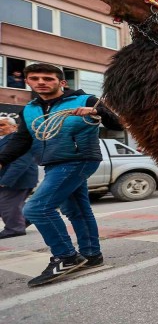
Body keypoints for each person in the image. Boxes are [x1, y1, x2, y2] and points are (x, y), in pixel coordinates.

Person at [0, 63, 123, 287]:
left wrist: (97, 112)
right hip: (51, 164)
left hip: (79, 160)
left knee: (36, 208)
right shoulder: (29, 109)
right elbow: (22, 140)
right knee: (76, 210)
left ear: (61, 82)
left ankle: (66, 256)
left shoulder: (85, 100)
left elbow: (118, 124)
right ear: (28, 81)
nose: (41, 82)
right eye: (35, 78)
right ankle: (92, 255)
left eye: (48, 78)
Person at [0, 117, 38, 239]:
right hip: (10, 178)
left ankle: (14, 228)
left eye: (2, 125)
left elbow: (20, 163)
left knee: (7, 203)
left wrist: (5, 181)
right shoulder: (4, 140)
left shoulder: (19, 140)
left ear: (14, 127)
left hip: (18, 179)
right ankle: (27, 218)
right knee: (14, 204)